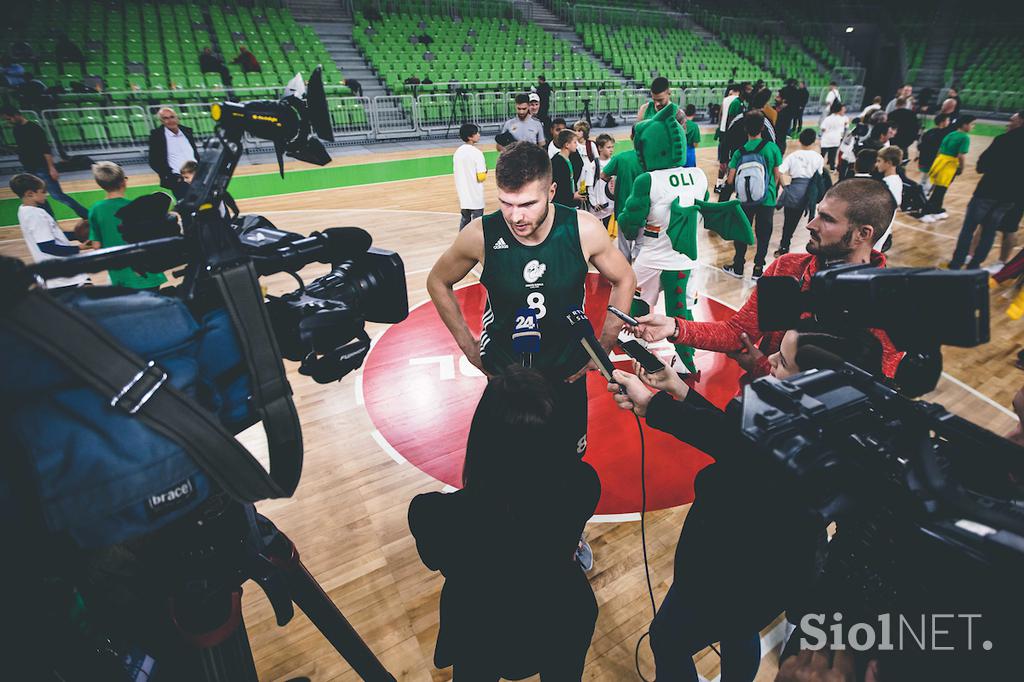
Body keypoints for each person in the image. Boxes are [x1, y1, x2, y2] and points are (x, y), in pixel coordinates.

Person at [607, 327, 884, 682]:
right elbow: (734, 437)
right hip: (769, 581)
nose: (766, 361)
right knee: (740, 630)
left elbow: (736, 443)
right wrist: (678, 390)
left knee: (666, 639)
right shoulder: (829, 428)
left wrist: (653, 406)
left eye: (782, 361)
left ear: (813, 385)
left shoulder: (789, 442)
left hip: (727, 572)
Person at [426, 139, 635, 464]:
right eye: (506, 203)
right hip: (506, 375)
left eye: (527, 204)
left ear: (551, 192)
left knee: (566, 468)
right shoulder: (481, 233)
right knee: (503, 470)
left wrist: (604, 346)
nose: (515, 216)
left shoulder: (582, 229)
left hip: (566, 373)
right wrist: (469, 347)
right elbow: (438, 281)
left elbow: (625, 278)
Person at [409, 366, 600, 680]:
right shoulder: (584, 483)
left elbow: (435, 559)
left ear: (482, 438)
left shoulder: (433, 514)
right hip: (562, 616)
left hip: (482, 629)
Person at [632, 179, 903, 380]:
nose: (811, 224)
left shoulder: (887, 304)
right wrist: (675, 327)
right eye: (817, 212)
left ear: (862, 234)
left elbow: (866, 392)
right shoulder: (789, 268)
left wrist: (761, 367)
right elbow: (737, 333)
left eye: (827, 219)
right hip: (759, 409)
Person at [948, 111, 1023, 269]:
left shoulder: (1004, 139)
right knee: (990, 230)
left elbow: (982, 165)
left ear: (1021, 122)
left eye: (1012, 120)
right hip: (1010, 197)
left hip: (988, 190)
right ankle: (975, 264)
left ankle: (958, 261)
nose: (1009, 123)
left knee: (969, 228)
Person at [86, 162, 167, 290]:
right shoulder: (139, 208)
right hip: (147, 271)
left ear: (100, 185)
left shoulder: (96, 210)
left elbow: (97, 246)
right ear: (124, 181)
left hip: (120, 274)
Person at [722, 111, 783, 280]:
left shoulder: (739, 153)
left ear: (745, 129)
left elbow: (730, 180)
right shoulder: (772, 148)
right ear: (763, 128)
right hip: (767, 198)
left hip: (744, 200)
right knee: (763, 234)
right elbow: (777, 174)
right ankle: (758, 269)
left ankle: (739, 266)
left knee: (742, 231)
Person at [1, 105, 88, 220]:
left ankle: (86, 214)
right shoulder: (16, 130)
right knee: (39, 197)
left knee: (58, 195)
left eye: (9, 119)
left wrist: (51, 168)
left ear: (16, 115)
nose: (9, 122)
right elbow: (24, 147)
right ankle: (50, 221)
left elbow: (45, 149)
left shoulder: (34, 128)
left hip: (42, 167)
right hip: (30, 168)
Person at [11, 173, 93, 289]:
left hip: (55, 271)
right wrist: (79, 248)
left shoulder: (24, 210)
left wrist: (75, 235)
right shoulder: (36, 216)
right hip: (63, 273)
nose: (46, 194)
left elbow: (52, 236)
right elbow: (47, 246)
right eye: (43, 191)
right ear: (30, 194)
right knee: (90, 295)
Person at [776, 128, 825, 256]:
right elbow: (818, 178)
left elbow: (779, 172)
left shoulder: (793, 156)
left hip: (793, 190)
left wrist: (785, 186)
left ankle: (784, 246)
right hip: (809, 193)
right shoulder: (818, 157)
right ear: (814, 141)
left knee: (788, 222)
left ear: (799, 140)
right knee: (797, 221)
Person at [600, 125, 644, 262]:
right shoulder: (649, 159)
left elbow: (603, 175)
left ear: (631, 137)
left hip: (623, 208)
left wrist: (614, 178)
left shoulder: (620, 158)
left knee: (624, 248)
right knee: (641, 246)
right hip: (644, 209)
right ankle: (638, 276)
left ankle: (626, 278)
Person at [921, 115, 975, 222]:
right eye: (972, 124)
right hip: (949, 165)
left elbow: (940, 150)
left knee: (937, 188)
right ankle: (928, 211)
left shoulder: (951, 134)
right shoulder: (964, 137)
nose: (973, 126)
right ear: (965, 125)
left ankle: (936, 209)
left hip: (939, 161)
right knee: (941, 189)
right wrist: (961, 167)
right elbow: (961, 155)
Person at [147, 107, 198, 200]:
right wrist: (170, 176)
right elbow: (153, 161)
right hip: (179, 180)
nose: (170, 120)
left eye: (172, 117)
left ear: (177, 118)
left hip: (197, 176)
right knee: (187, 206)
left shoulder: (187, 132)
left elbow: (195, 153)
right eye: (166, 118)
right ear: (161, 121)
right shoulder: (157, 136)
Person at [453, 123, 487, 231]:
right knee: (478, 224)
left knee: (464, 220)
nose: (479, 134)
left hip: (463, 196)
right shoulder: (477, 153)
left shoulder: (457, 152)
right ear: (470, 137)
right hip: (475, 195)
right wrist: (485, 172)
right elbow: (481, 177)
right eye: (476, 133)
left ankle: (461, 243)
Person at [872, 146, 903, 252]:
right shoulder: (894, 180)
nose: (876, 164)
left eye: (879, 161)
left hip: (880, 228)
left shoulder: (890, 183)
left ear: (889, 163)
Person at [715, 83, 745, 192]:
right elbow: (734, 119)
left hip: (723, 132)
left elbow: (720, 115)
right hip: (731, 133)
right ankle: (728, 184)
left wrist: (718, 130)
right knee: (732, 160)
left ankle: (718, 184)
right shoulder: (737, 102)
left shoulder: (725, 100)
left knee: (723, 161)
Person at [916, 112, 950, 194]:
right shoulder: (944, 134)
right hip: (934, 161)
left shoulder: (929, 132)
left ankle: (921, 193)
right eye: (948, 120)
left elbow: (920, 146)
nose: (949, 122)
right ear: (943, 122)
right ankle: (925, 196)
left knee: (924, 179)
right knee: (931, 181)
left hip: (924, 160)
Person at [587, 133, 615, 229]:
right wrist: (594, 203)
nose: (611, 150)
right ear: (600, 148)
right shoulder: (594, 164)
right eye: (608, 147)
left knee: (609, 232)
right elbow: (589, 185)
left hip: (611, 206)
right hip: (598, 206)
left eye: (612, 147)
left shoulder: (614, 162)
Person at [551, 129, 583, 208]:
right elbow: (560, 188)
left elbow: (580, 164)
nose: (577, 145)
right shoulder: (557, 162)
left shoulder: (570, 159)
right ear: (567, 145)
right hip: (562, 205)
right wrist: (572, 196)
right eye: (574, 142)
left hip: (570, 203)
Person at [819, 101, 847, 171]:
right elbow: (845, 128)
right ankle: (832, 167)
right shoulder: (843, 119)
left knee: (822, 154)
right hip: (836, 139)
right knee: (833, 154)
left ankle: (819, 166)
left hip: (826, 138)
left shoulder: (828, 118)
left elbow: (823, 128)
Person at [683, 103, 700, 168]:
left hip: (678, 152)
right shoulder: (694, 126)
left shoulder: (678, 123)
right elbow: (695, 144)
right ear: (694, 113)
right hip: (689, 153)